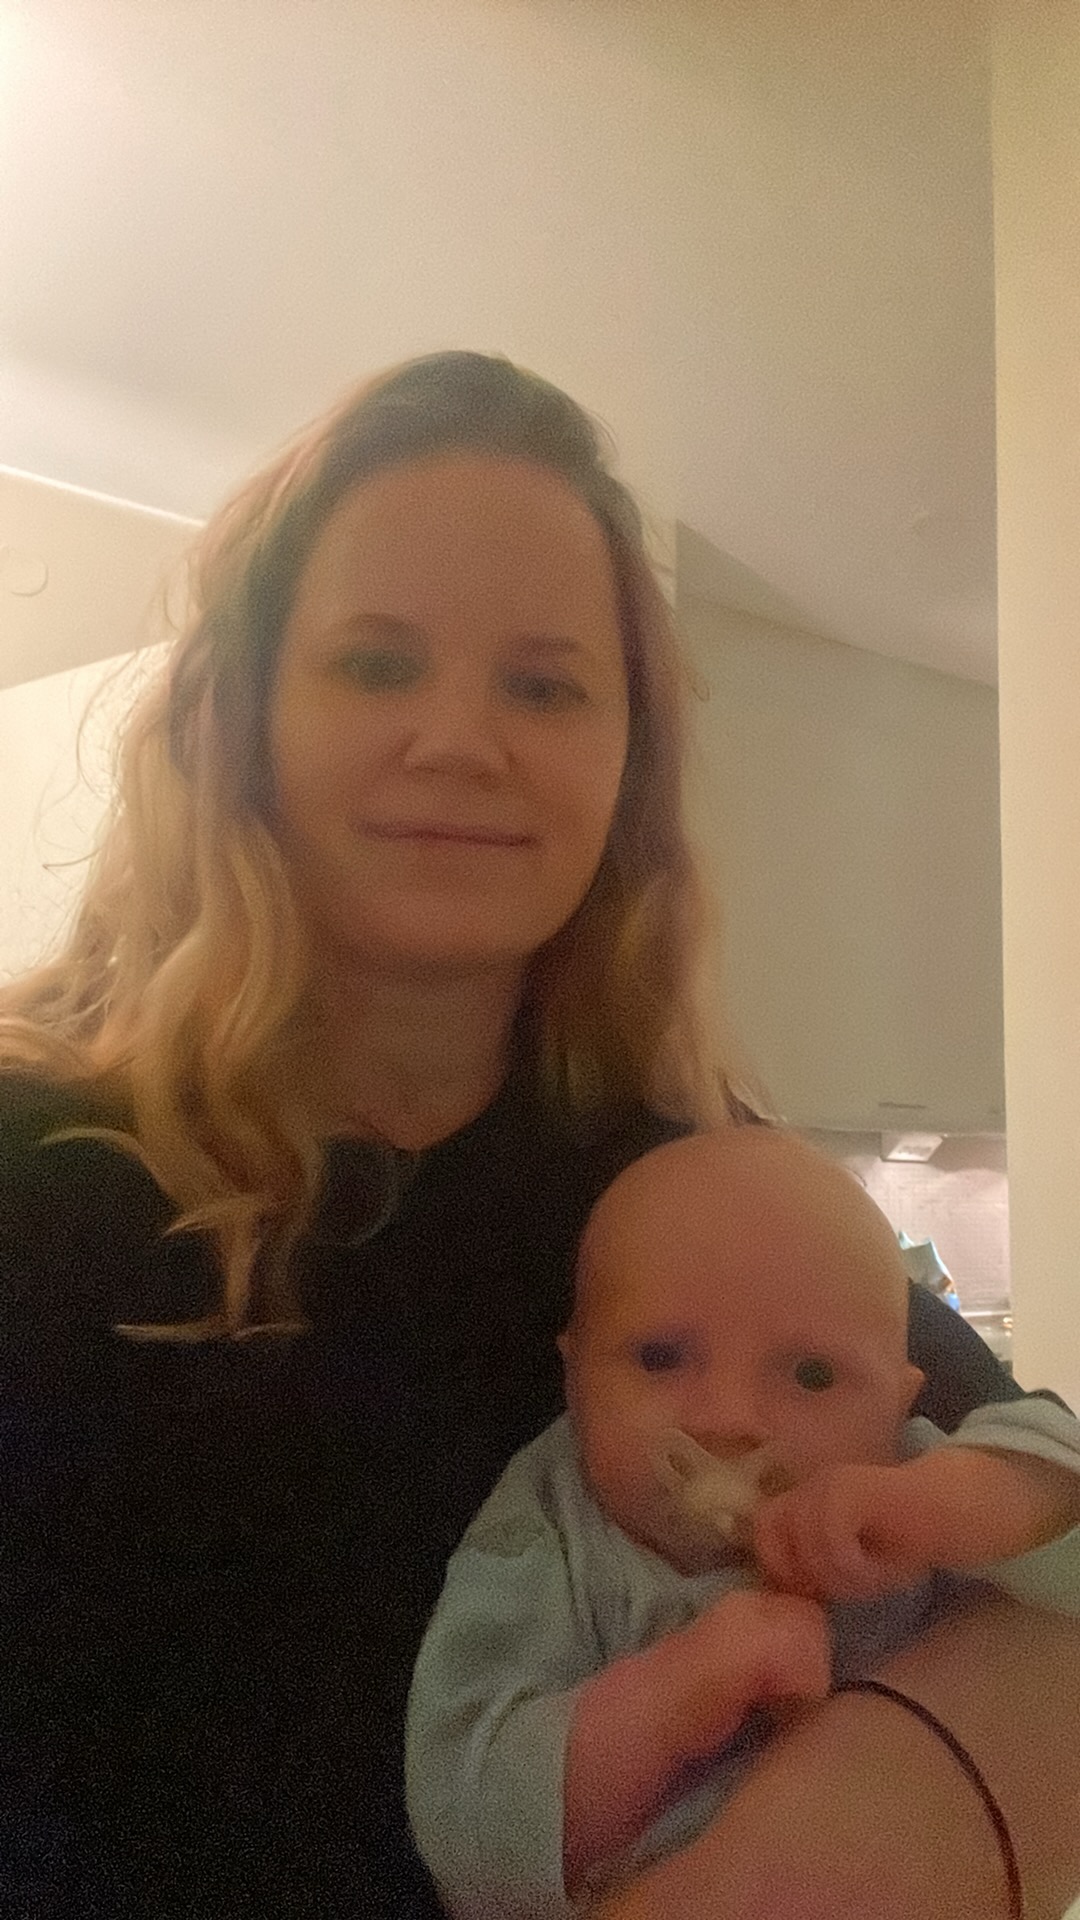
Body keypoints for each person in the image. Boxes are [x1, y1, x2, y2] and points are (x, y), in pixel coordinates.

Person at [0, 350, 1075, 1920]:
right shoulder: (35, 1170)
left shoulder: (691, 1182)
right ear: (243, 718)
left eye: (545, 685)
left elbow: (1043, 1530)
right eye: (377, 664)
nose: (460, 739)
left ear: (627, 760)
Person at [405, 1130, 1080, 1919]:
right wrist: (670, 1700)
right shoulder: (550, 1526)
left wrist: (960, 1504)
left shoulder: (903, 1478)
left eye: (813, 1374)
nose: (728, 1418)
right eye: (661, 1357)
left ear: (897, 1405)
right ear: (575, 1377)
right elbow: (469, 1828)